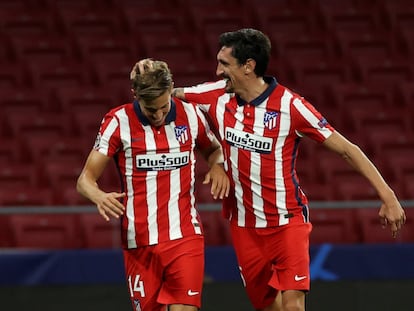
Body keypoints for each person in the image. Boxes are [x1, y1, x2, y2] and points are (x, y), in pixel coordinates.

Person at [133, 28, 406, 311]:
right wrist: (144, 73)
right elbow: (162, 93)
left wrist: (388, 196)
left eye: (224, 64)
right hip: (244, 226)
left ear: (248, 66)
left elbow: (348, 149)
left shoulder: (291, 106)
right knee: (267, 307)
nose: (217, 71)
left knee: (293, 307)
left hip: (287, 221)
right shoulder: (213, 95)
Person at [76, 59, 230, 311]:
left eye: (163, 107)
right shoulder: (117, 121)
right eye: (150, 110)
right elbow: (85, 180)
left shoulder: (190, 114)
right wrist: (98, 196)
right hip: (139, 243)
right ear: (135, 95)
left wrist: (217, 166)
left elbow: (213, 149)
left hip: (184, 236)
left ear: (171, 90)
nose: (158, 115)